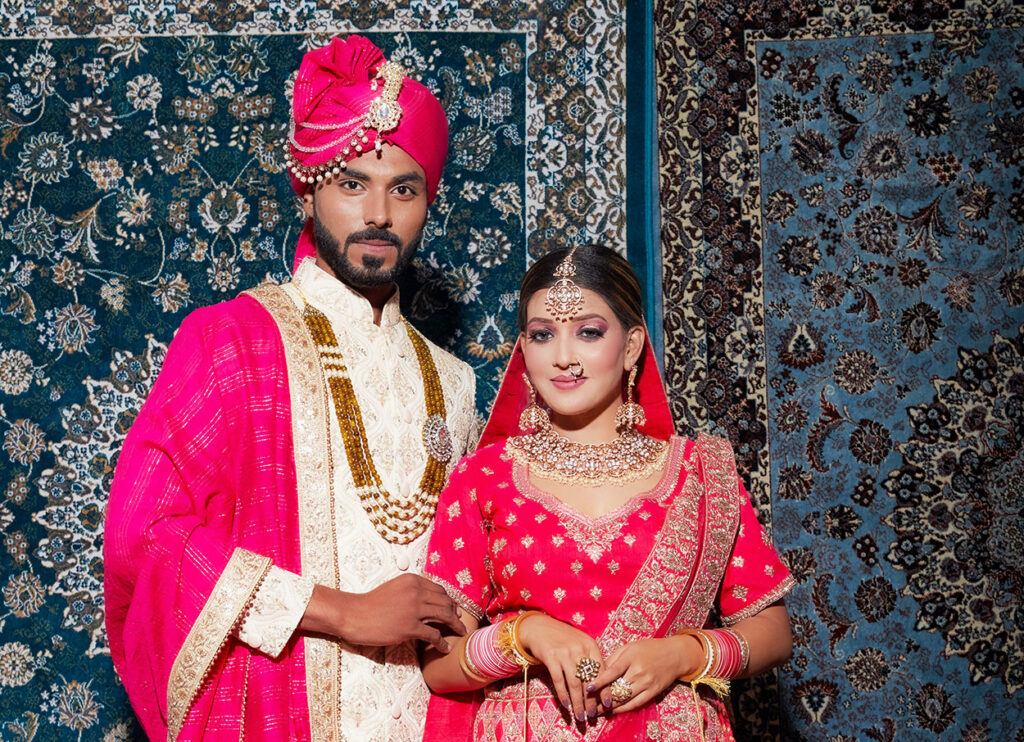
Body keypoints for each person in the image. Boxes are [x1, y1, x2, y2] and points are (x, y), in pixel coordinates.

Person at [104, 35, 479, 741]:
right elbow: (146, 536)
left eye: (404, 188)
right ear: (306, 191)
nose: (378, 213)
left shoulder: (454, 382)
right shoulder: (232, 341)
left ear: (428, 200)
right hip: (281, 709)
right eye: (351, 183)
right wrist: (345, 611)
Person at [419, 244, 795, 740]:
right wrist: (523, 634)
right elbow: (438, 665)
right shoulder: (482, 477)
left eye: (588, 332)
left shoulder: (704, 474)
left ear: (633, 345)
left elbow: (774, 632)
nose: (563, 358)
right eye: (542, 335)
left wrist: (684, 653)